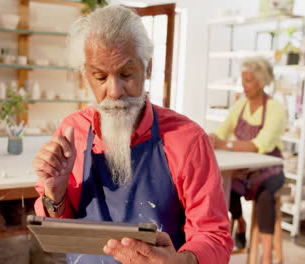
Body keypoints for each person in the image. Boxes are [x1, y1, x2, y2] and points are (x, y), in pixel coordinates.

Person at [33, 6, 233, 264]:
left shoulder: (187, 139)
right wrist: (54, 193)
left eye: (126, 74)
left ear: (147, 69)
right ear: (85, 76)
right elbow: (57, 233)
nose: (115, 91)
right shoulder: (73, 132)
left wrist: (182, 262)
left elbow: (214, 235)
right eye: (100, 77)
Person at [208, 57, 286, 264]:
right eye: (243, 80)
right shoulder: (240, 105)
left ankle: (266, 255)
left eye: (249, 80)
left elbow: (258, 145)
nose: (244, 85)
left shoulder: (275, 108)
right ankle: (239, 222)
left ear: (261, 81)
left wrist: (224, 144)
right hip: (244, 167)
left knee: (265, 194)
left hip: (270, 167)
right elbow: (222, 131)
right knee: (222, 185)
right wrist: (212, 138)